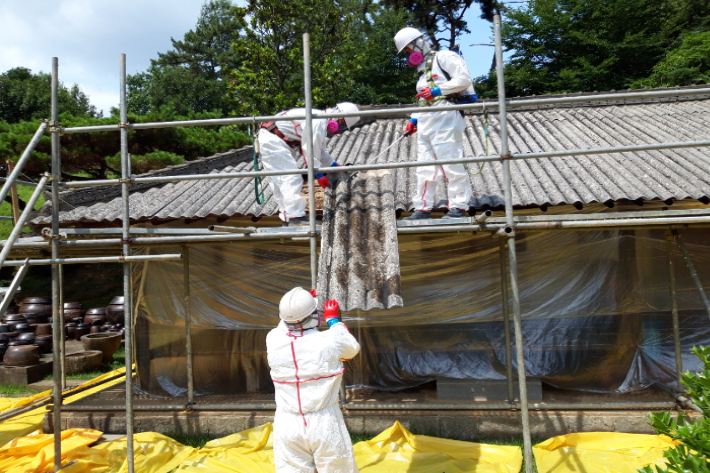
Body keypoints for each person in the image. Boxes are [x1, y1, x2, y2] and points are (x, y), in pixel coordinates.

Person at [266, 287, 360, 472]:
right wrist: (334, 320)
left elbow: (286, 322)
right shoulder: (329, 340)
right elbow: (351, 348)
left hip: (287, 422)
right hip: (324, 420)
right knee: (337, 467)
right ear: (315, 315)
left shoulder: (273, 338)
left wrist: (299, 305)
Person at [394, 27, 476, 220]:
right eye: (406, 53)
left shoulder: (444, 57)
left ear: (419, 42)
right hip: (426, 120)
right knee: (425, 167)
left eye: (408, 50)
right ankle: (422, 208)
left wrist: (438, 91)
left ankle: (458, 206)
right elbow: (424, 99)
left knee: (450, 162)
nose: (408, 55)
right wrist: (414, 118)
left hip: (446, 115)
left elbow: (464, 79)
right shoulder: (423, 71)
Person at [258, 103, 360, 226]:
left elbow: (321, 153)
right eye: (342, 126)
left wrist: (334, 166)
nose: (339, 131)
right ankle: (294, 218)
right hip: (274, 140)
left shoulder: (320, 121)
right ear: (340, 118)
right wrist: (318, 174)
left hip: (274, 139)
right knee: (291, 178)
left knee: (281, 181)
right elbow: (310, 149)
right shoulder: (318, 120)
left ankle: (288, 218)